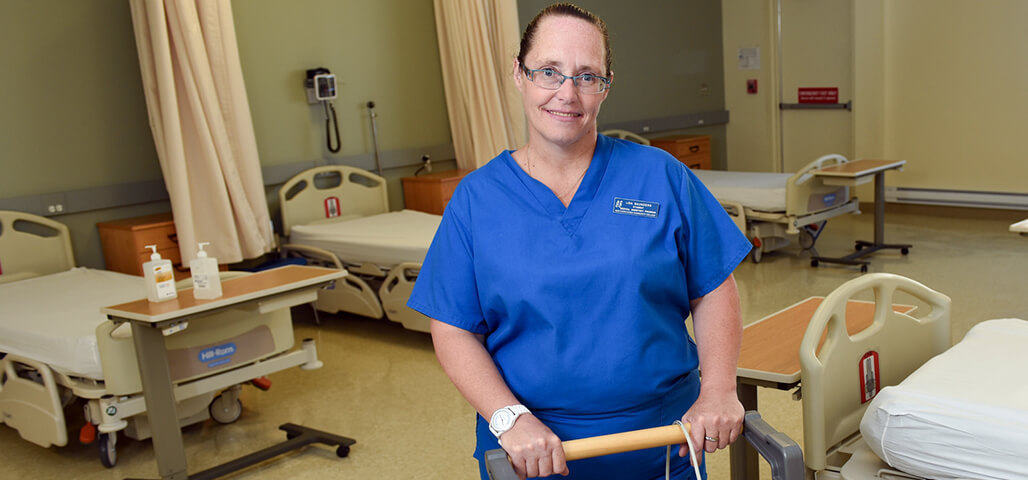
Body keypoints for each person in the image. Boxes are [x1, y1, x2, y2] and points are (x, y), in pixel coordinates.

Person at [408, 3, 752, 479]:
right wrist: (510, 419)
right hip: (530, 451)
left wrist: (718, 389)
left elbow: (713, 286)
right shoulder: (476, 199)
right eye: (549, 71)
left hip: (661, 442)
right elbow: (453, 326)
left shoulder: (660, 175)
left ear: (606, 85)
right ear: (519, 74)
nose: (566, 93)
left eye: (586, 76)